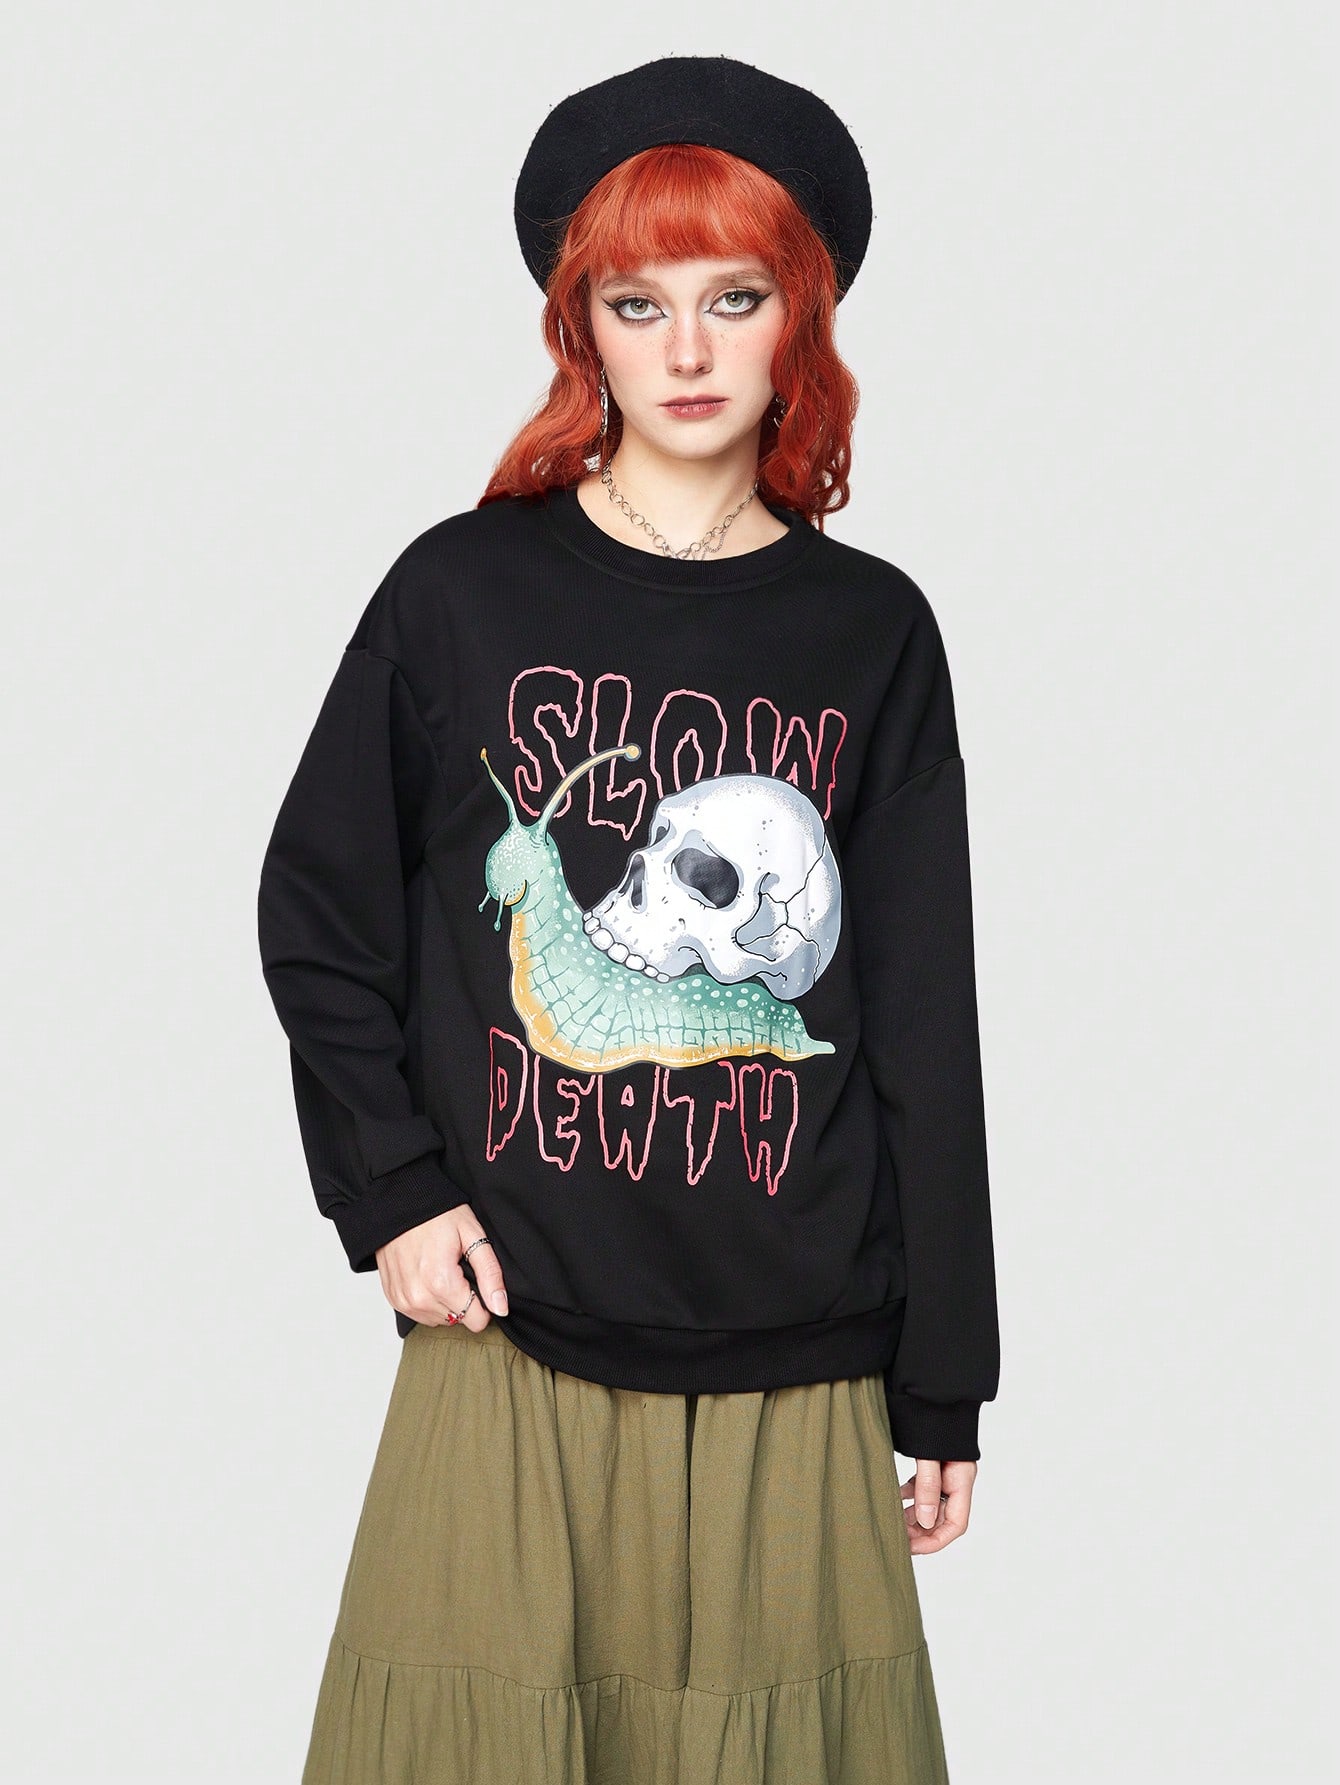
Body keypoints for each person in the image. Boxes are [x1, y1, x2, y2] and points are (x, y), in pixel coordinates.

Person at [258, 54, 1000, 1785]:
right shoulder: (460, 591)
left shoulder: (872, 631)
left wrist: (946, 1369)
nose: (687, 350)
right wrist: (392, 1191)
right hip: (508, 1329)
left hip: (798, 1356)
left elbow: (923, 1012)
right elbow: (319, 906)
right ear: (579, 325)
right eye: (637, 301)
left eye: (734, 297)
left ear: (798, 319)